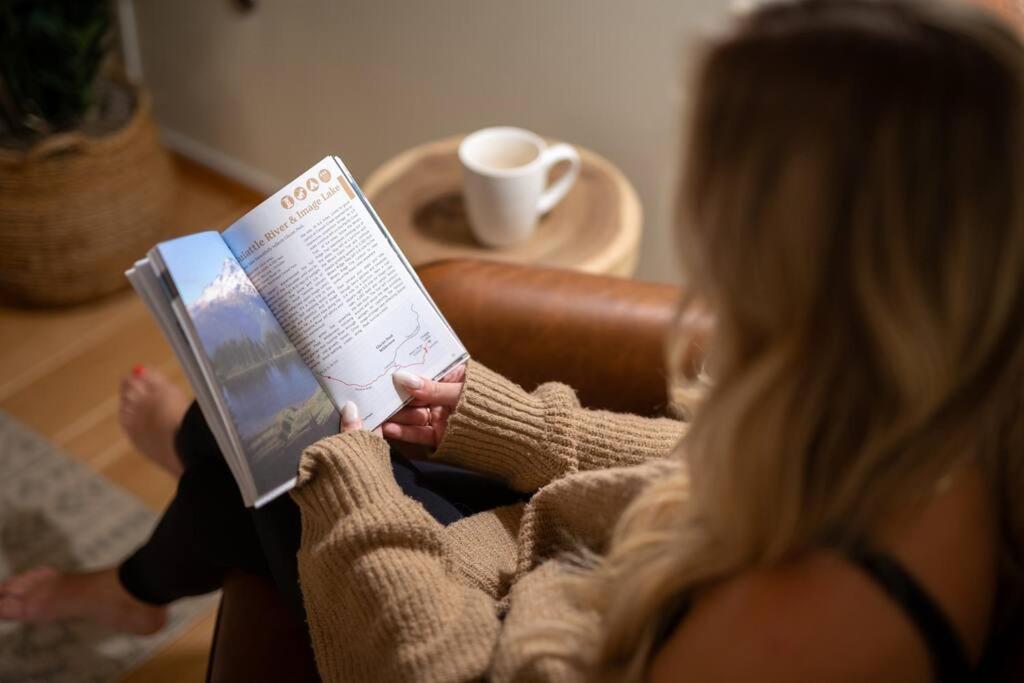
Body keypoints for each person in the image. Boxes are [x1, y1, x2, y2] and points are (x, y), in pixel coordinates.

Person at [2, 0, 1022, 680]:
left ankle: (158, 538)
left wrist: (342, 477)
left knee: (260, 440)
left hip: (481, 619)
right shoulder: (932, 421)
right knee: (252, 430)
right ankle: (186, 476)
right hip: (551, 545)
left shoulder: (804, 625)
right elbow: (698, 464)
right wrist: (505, 421)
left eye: (723, 214)